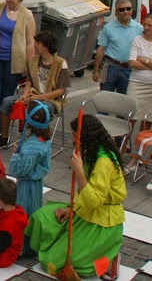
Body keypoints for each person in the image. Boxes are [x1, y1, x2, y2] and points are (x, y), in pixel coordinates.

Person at [24, 115, 126, 280]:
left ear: (86, 136)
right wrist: (71, 208)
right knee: (40, 217)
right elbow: (83, 195)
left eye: (74, 135)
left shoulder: (104, 162)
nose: (72, 140)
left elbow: (93, 201)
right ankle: (54, 245)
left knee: (54, 263)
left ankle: (109, 257)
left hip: (100, 221)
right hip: (82, 210)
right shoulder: (92, 152)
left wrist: (78, 170)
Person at [0, 30, 70, 146]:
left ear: (45, 46)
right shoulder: (33, 61)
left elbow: (61, 90)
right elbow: (29, 82)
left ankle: (36, 140)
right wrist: (24, 96)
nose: (34, 45)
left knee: (40, 109)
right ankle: (4, 137)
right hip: (33, 94)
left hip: (51, 99)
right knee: (6, 102)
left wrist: (39, 97)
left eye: (37, 43)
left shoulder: (60, 63)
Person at [0, 0, 36, 137]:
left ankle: (1, 129)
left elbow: (30, 42)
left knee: (6, 94)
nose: (7, 0)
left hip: (13, 61)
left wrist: (29, 65)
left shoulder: (27, 15)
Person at [8, 101, 53, 217]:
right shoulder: (45, 139)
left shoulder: (32, 146)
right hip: (36, 183)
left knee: (24, 212)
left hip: (27, 186)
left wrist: (16, 155)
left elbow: (20, 170)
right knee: (34, 208)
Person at [91, 0, 143, 94]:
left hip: (129, 69)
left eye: (128, 8)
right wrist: (96, 70)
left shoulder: (139, 28)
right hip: (110, 67)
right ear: (116, 12)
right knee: (106, 96)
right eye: (122, 9)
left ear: (132, 10)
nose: (125, 11)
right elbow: (101, 49)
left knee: (124, 99)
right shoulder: (108, 27)